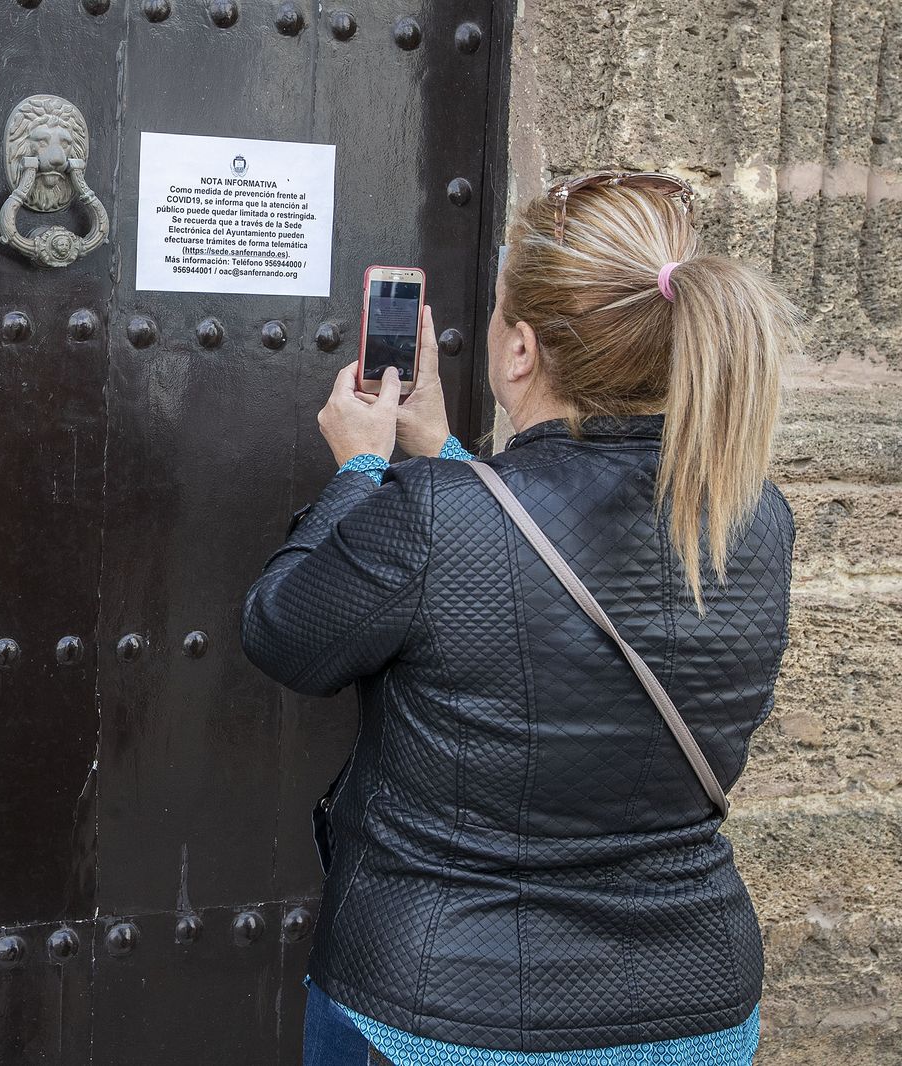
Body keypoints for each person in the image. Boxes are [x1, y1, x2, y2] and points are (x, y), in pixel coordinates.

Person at [242, 172, 799, 1065]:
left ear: (521, 353)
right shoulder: (752, 515)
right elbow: (545, 562)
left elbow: (285, 633)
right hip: (692, 1008)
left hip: (441, 1011)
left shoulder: (432, 516)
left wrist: (359, 469)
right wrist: (444, 452)